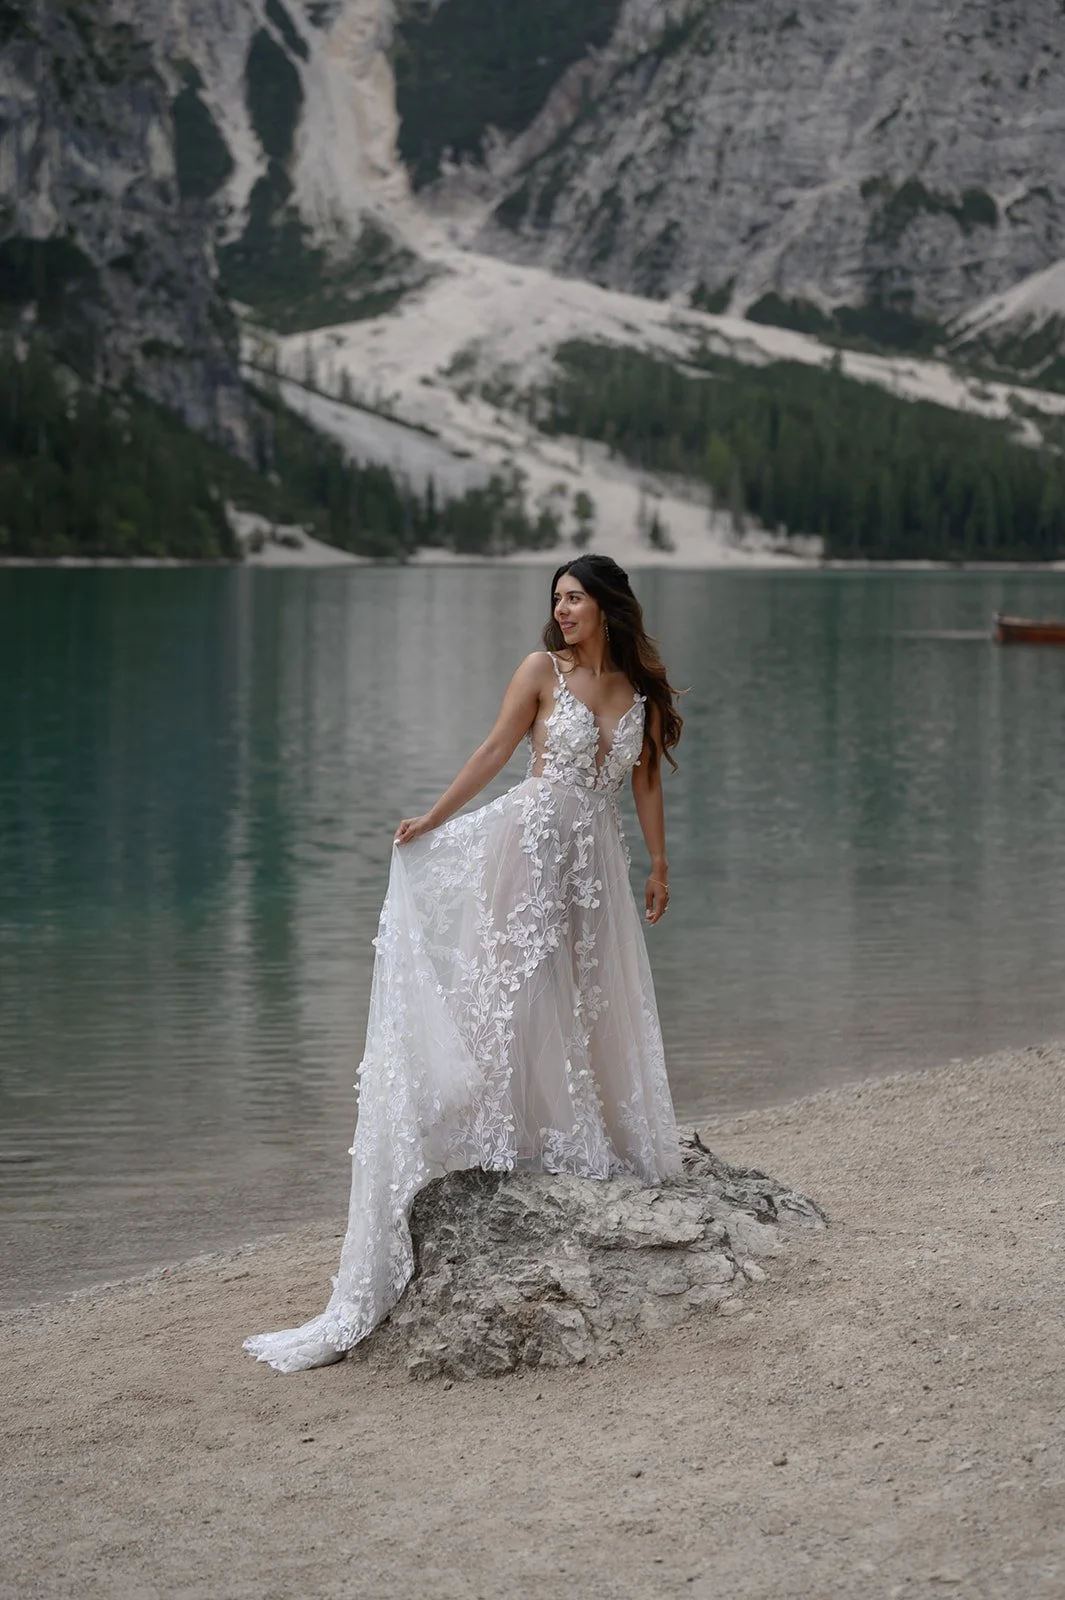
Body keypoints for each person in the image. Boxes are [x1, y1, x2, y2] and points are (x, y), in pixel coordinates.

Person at [244, 554, 685, 1373]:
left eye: (574, 598)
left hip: (596, 864)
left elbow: (646, 781)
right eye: (554, 598)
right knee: (509, 987)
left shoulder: (640, 692)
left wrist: (658, 864)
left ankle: (585, 1130)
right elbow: (493, 750)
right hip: (523, 846)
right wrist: (434, 818)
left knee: (592, 999)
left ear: (608, 606)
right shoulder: (539, 670)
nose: (560, 610)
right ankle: (486, 1130)